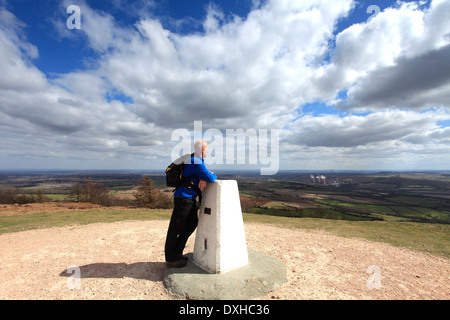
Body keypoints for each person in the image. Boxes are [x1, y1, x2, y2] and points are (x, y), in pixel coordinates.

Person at [164, 140, 217, 268]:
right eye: (208, 149)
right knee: (175, 228)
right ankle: (171, 258)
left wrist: (203, 176)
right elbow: (211, 177)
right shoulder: (195, 161)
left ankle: (177, 253)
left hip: (188, 198)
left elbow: (201, 174)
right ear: (202, 150)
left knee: (191, 224)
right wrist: (211, 175)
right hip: (184, 199)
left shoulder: (196, 160)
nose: (209, 151)